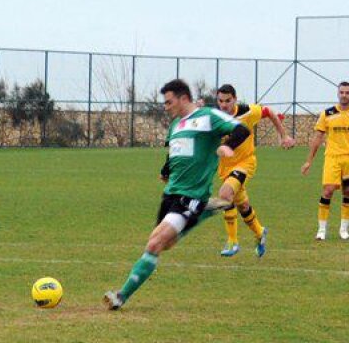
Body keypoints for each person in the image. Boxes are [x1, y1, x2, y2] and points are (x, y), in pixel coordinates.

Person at [103, 79, 250, 310]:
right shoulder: (175, 125)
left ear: (183, 98)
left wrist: (229, 145)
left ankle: (120, 296)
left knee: (153, 244)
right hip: (170, 194)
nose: (166, 106)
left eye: (169, 101)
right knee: (165, 244)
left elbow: (242, 128)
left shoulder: (207, 116)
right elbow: (174, 152)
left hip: (191, 195)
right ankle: (202, 213)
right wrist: (165, 170)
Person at [212, 84, 294, 257]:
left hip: (245, 163)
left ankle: (232, 242)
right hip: (225, 167)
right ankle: (260, 232)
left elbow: (269, 112)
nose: (224, 105)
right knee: (242, 206)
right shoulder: (214, 116)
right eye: (220, 101)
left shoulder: (247, 112)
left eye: (228, 101)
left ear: (235, 99)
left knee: (225, 194)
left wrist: (283, 135)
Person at [301, 81, 349, 241]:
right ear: (338, 93)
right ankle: (321, 230)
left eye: (347, 93)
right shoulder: (327, 114)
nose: (344, 95)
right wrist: (309, 161)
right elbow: (317, 138)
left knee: (348, 192)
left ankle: (344, 230)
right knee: (328, 191)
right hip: (332, 158)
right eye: (341, 92)